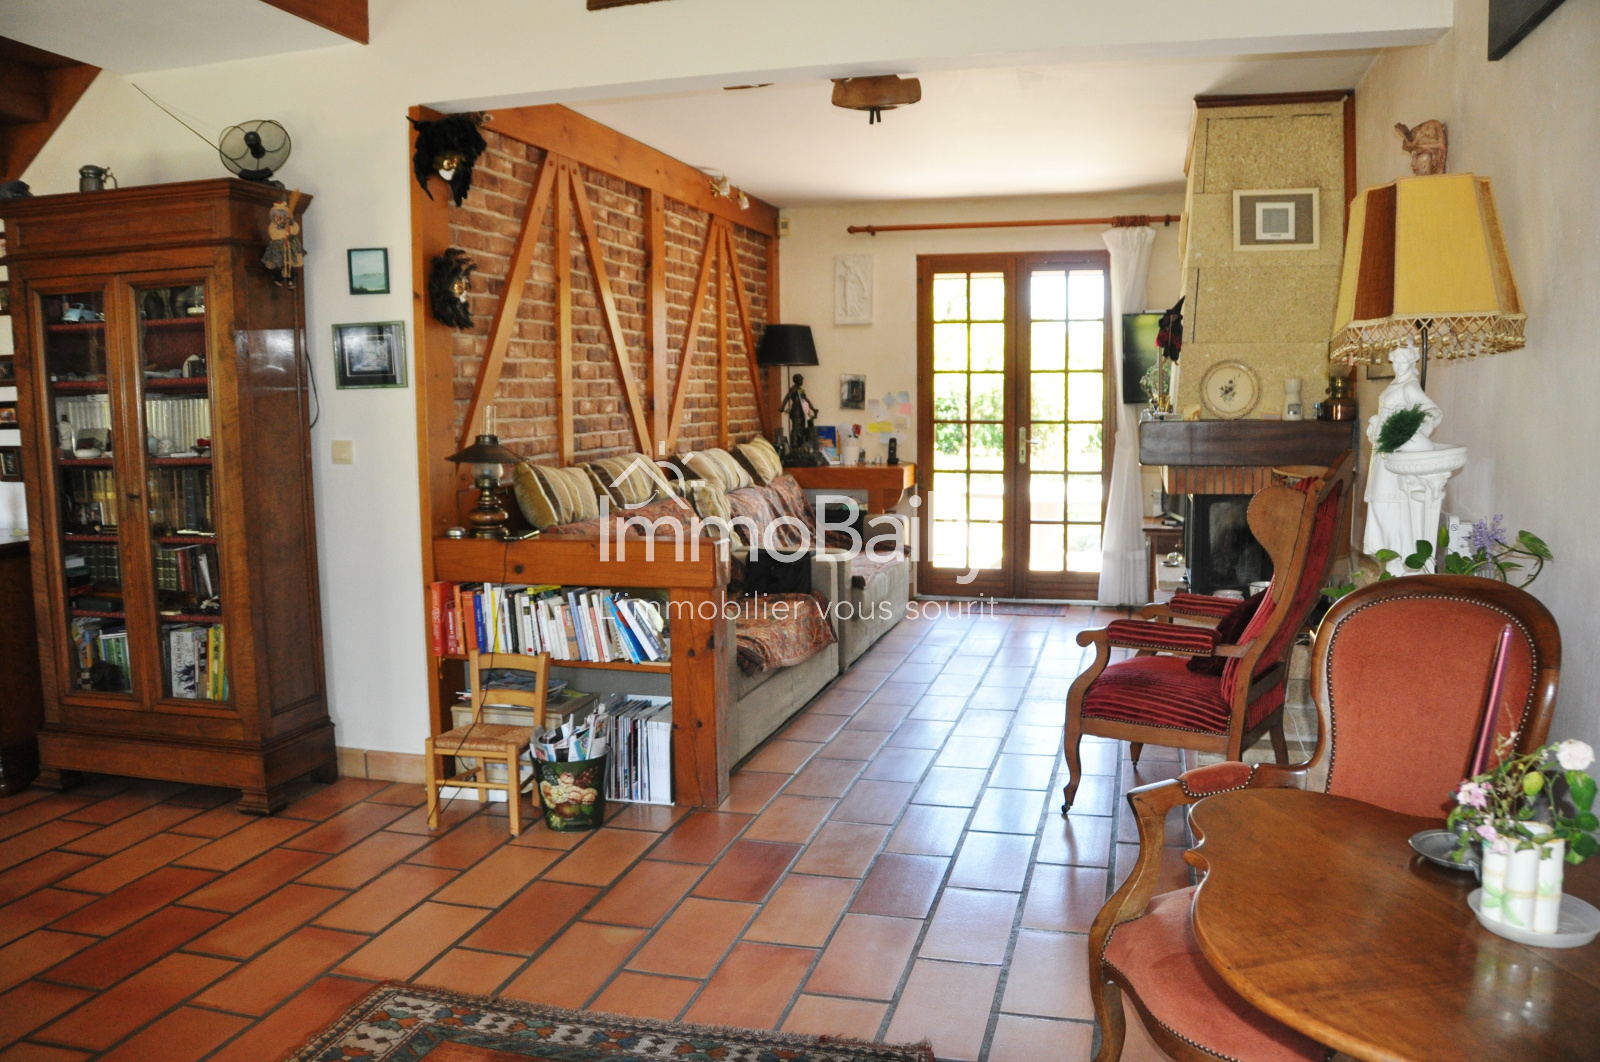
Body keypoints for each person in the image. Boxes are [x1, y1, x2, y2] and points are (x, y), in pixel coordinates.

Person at [1362, 344, 1443, 569]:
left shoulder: (1410, 386)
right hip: (1383, 448)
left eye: (1403, 362)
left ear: (1411, 363)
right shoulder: (1396, 384)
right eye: (1395, 362)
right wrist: (1376, 424)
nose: (1398, 366)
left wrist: (1408, 431)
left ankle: (1399, 558)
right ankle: (1391, 559)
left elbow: (1432, 412)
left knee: (1387, 502)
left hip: (1394, 449)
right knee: (1379, 502)